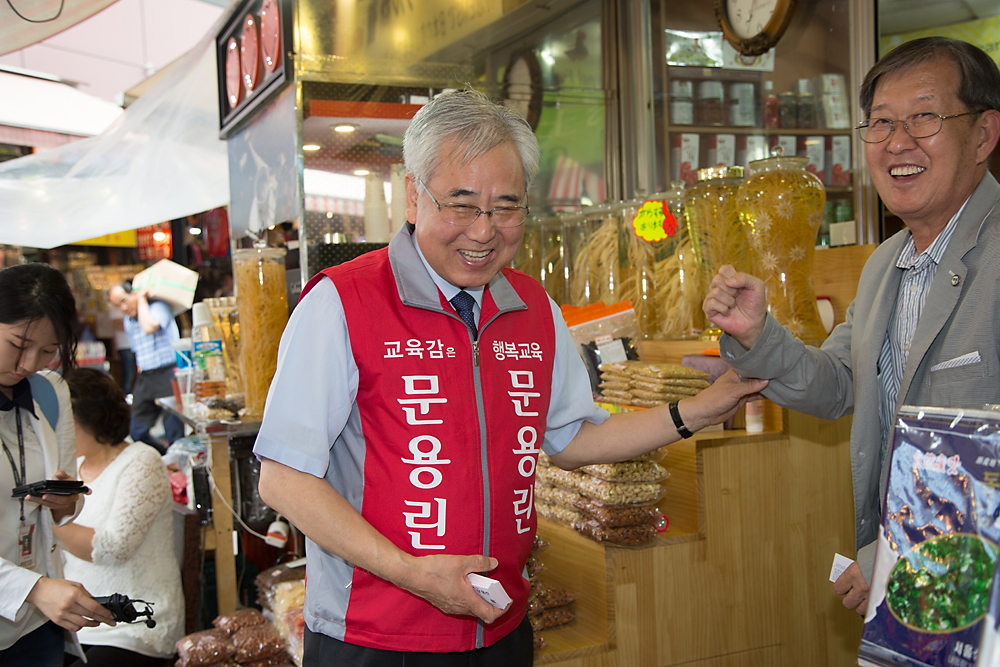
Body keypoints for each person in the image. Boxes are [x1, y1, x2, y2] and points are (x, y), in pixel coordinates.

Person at [254, 89, 768, 665]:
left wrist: (700, 409)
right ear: (413, 196)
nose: (484, 231)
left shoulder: (533, 308)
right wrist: (411, 573)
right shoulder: (343, 302)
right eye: (462, 204)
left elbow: (574, 438)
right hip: (375, 638)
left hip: (501, 630)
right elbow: (284, 478)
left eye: (506, 207)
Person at [702, 36, 1000, 617]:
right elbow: (840, 382)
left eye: (925, 117)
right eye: (881, 122)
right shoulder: (886, 264)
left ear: (984, 134)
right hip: (924, 604)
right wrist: (757, 335)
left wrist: (906, 550)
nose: (897, 142)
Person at [0, 264, 116, 667]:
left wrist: (66, 503)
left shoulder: (49, 393)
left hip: (37, 625)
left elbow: (68, 498)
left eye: (48, 351)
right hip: (33, 596)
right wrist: (32, 588)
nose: (29, 363)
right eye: (19, 344)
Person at [55, 368, 185, 667]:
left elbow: (113, 548)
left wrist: (48, 520)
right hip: (77, 623)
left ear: (91, 418)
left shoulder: (141, 460)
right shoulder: (70, 466)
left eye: (63, 421)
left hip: (134, 624)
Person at [107, 281, 183, 453]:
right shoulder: (128, 321)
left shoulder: (158, 307)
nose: (123, 308)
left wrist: (142, 299)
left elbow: (149, 327)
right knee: (137, 431)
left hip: (168, 373)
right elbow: (136, 350)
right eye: (117, 305)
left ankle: (175, 460)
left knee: (173, 431)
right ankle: (163, 455)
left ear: (134, 293)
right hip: (147, 376)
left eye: (124, 300)